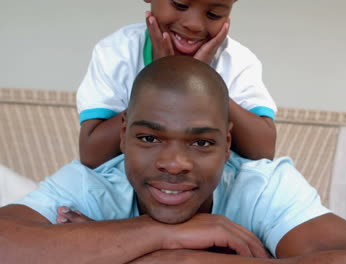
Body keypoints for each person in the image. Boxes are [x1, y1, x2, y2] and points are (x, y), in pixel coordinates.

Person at [0, 57, 346, 263]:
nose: (173, 163)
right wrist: (162, 233)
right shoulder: (93, 182)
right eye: (149, 138)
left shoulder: (261, 185)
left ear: (228, 144)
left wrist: (172, 257)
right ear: (122, 138)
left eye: (201, 143)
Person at [78, 0, 277, 168]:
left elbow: (263, 151)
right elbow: (92, 155)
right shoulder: (116, 52)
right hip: (129, 184)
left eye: (214, 14)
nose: (195, 25)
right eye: (180, 4)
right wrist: (161, 78)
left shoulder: (238, 61)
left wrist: (201, 78)